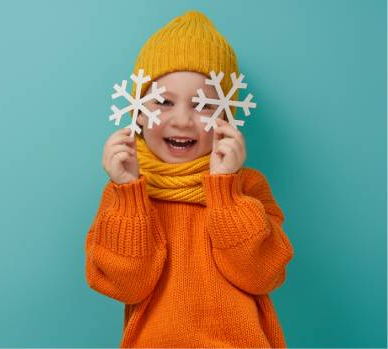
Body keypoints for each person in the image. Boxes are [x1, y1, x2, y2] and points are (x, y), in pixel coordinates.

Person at [85, 10, 295, 348]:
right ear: (136, 111)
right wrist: (127, 192)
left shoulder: (248, 187)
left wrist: (225, 189)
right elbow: (126, 285)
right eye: (164, 102)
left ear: (228, 115)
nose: (182, 120)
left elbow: (263, 274)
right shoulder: (126, 194)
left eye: (204, 105)